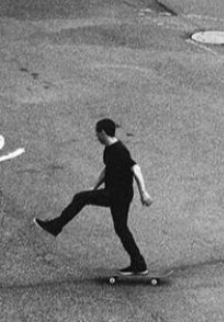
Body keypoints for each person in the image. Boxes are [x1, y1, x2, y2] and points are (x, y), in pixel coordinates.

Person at [34, 118, 154, 275]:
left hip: (118, 195)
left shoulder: (119, 150)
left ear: (103, 132)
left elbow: (135, 167)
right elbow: (107, 170)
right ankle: (139, 263)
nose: (96, 137)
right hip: (118, 193)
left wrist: (143, 192)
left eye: (97, 134)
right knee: (121, 229)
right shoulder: (109, 149)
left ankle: (56, 226)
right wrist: (94, 187)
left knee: (80, 198)